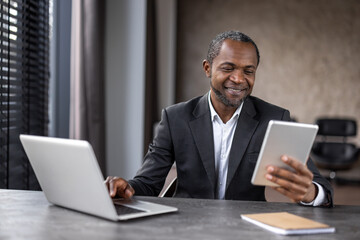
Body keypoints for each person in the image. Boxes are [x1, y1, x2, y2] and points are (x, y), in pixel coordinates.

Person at [105, 31, 333, 207]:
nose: (238, 78)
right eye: (228, 68)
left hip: (247, 228)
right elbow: (148, 183)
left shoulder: (274, 118)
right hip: (187, 226)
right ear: (207, 68)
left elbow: (322, 189)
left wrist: (311, 193)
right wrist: (126, 187)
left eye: (248, 71)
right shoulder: (175, 118)